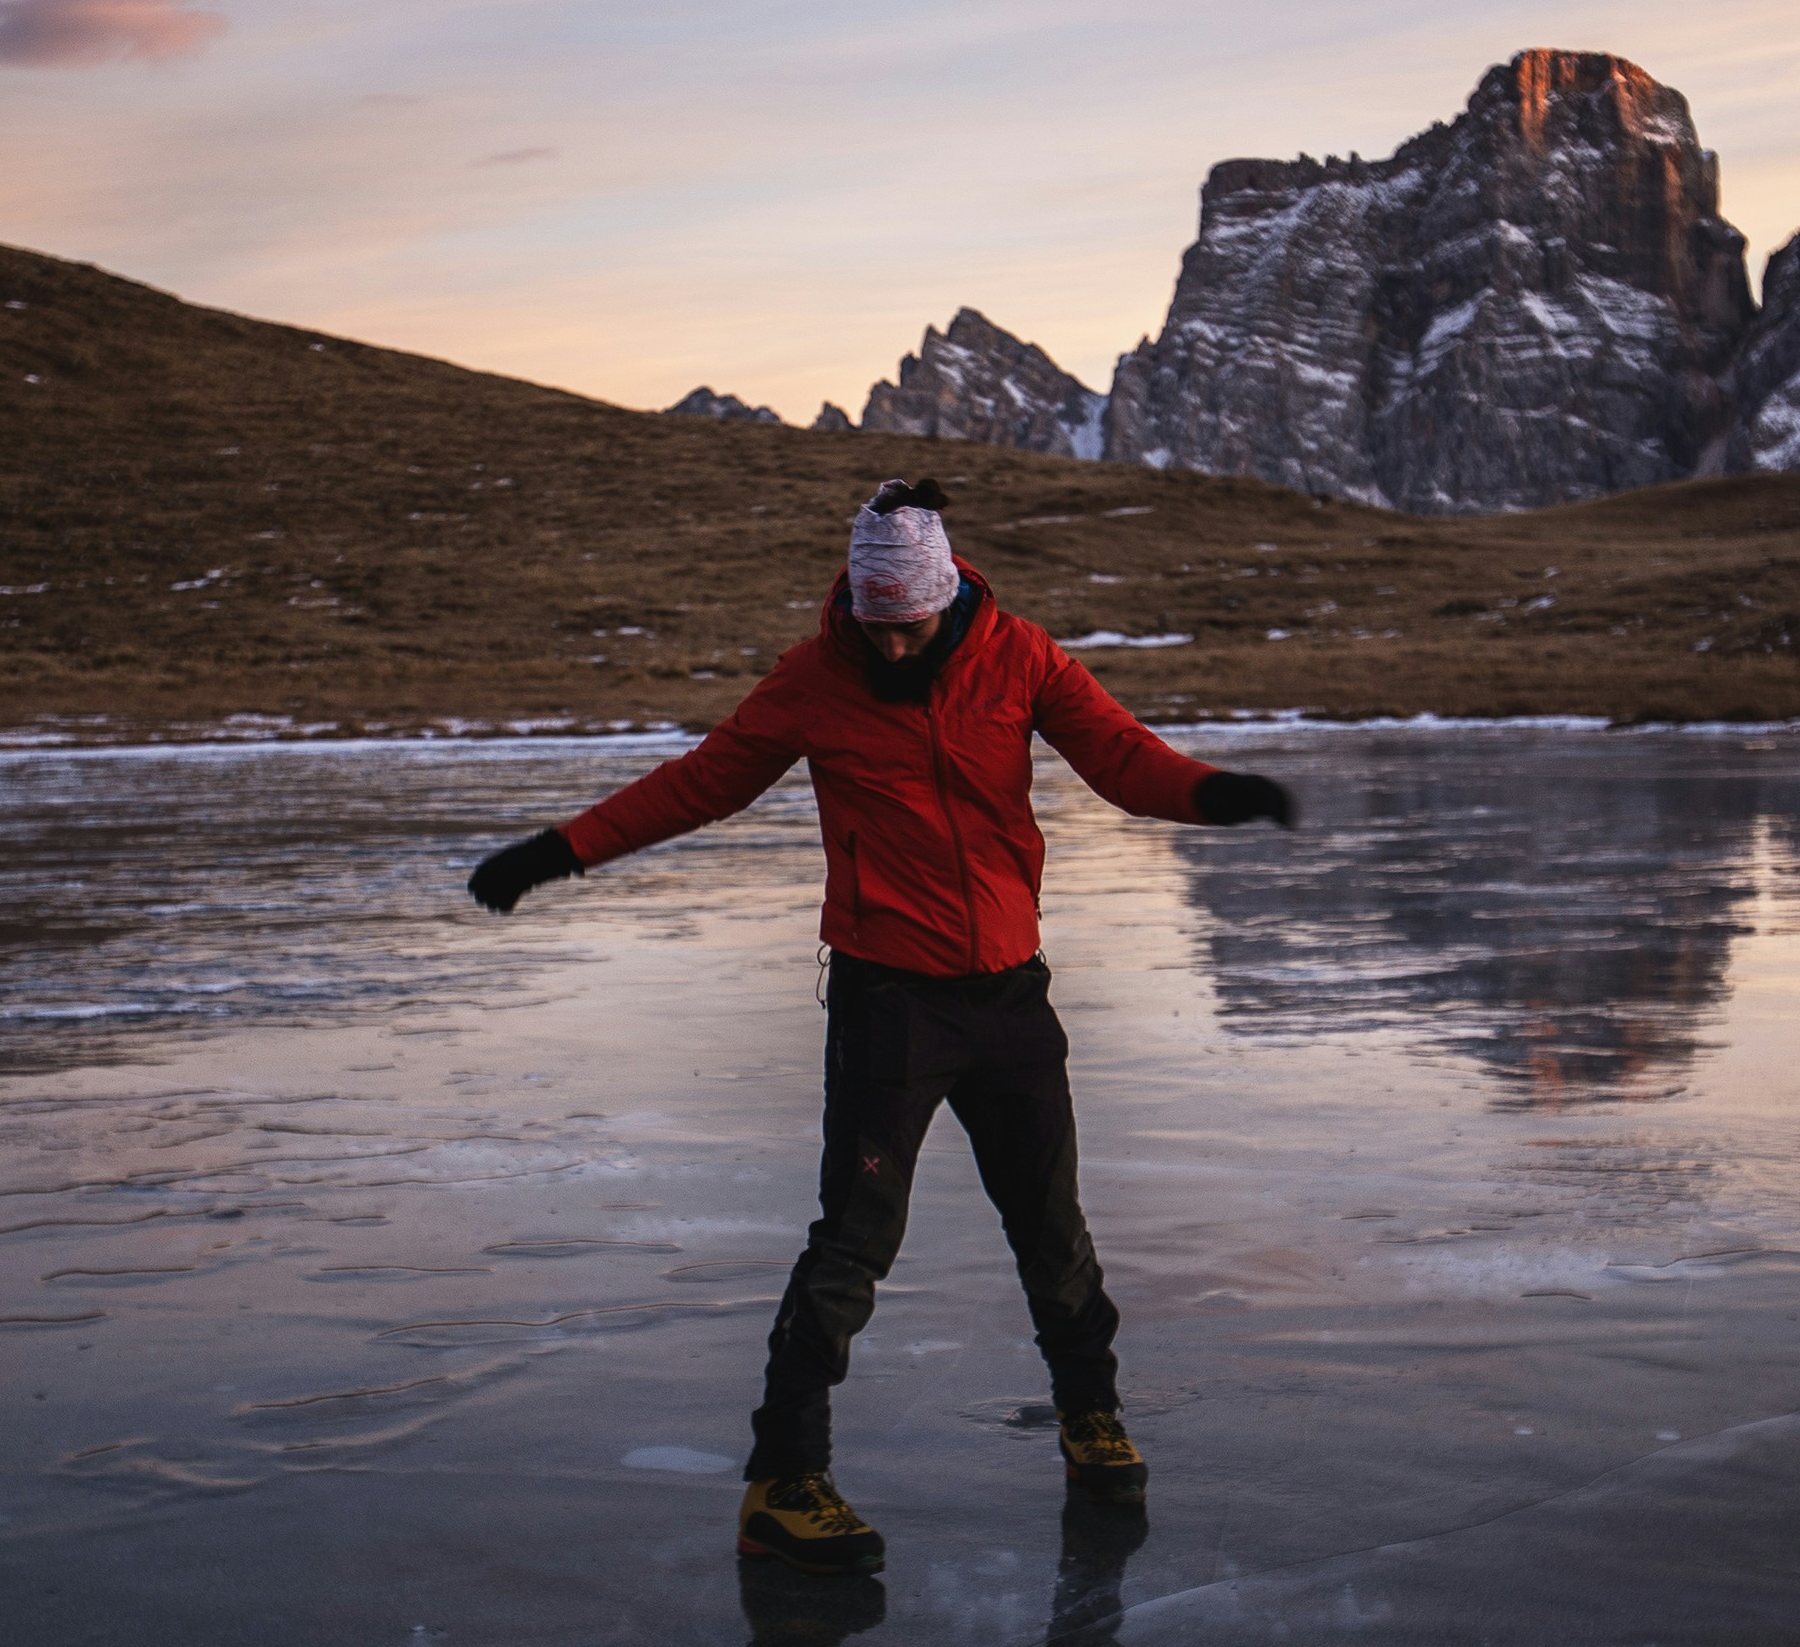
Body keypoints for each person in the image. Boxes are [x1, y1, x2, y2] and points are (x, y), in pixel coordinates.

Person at [466, 479, 1298, 1574]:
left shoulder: (1020, 657)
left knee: (1053, 1231)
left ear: (944, 599)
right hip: (888, 1003)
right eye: (875, 627)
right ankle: (784, 1481)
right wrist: (556, 851)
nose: (893, 648)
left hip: (1008, 998)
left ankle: (1089, 1419)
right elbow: (700, 784)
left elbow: (1120, 757)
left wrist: (1214, 796)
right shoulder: (815, 680)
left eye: (908, 627)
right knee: (854, 1242)